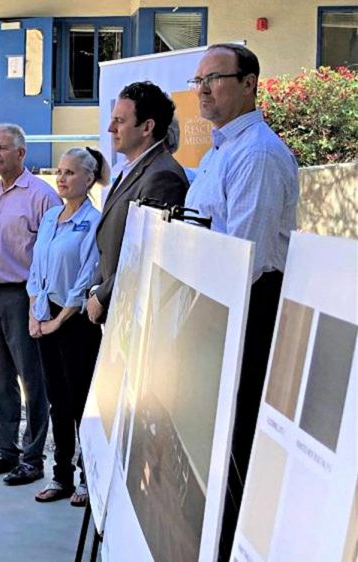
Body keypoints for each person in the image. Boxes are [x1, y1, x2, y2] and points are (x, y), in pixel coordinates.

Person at [184, 43, 299, 560]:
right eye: (199, 79)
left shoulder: (257, 154)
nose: (204, 89)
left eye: (216, 78)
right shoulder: (216, 152)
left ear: (250, 83)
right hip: (211, 308)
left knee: (239, 446)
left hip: (246, 312)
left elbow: (245, 258)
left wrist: (200, 323)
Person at [0, 123, 60, 486]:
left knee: (32, 378)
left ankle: (32, 456)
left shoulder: (42, 196)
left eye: (2, 148)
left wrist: (38, 302)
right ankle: (5, 449)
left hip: (23, 295)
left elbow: (51, 253)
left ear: (21, 153)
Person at [27, 148, 108, 505]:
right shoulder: (50, 218)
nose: (62, 178)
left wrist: (60, 319)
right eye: (59, 172)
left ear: (88, 178)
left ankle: (87, 478)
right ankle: (59, 476)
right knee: (56, 402)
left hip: (74, 323)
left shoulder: (93, 221)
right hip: (45, 318)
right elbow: (36, 269)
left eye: (71, 173)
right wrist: (35, 312)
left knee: (79, 404)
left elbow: (88, 273)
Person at [85, 81, 189, 325]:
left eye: (120, 121)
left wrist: (102, 295)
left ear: (147, 127)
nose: (110, 128)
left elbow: (148, 252)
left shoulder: (163, 177)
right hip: (120, 310)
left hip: (139, 317)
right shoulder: (130, 169)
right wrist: (95, 288)